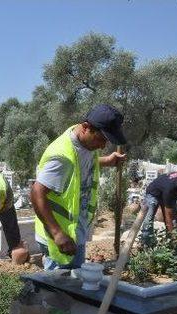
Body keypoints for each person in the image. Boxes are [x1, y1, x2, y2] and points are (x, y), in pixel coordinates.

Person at [31, 104, 127, 270]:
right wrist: (57, 233)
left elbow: (79, 167)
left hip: (75, 232)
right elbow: (36, 193)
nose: (103, 146)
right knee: (59, 291)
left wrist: (106, 161)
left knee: (74, 285)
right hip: (60, 236)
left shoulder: (85, 145)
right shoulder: (62, 156)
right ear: (85, 128)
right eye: (101, 139)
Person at [141, 172, 177, 246]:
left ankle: (169, 246)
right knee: (148, 221)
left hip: (169, 192)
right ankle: (147, 245)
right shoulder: (169, 190)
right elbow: (168, 216)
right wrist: (172, 237)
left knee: (173, 223)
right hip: (154, 193)